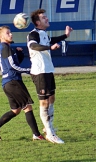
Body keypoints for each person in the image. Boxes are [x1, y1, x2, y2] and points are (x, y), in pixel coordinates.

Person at [0, 25, 44, 141]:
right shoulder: (5, 48)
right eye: (8, 33)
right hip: (13, 81)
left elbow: (14, 62)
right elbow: (13, 67)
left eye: (10, 32)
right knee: (27, 107)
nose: (11, 34)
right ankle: (37, 135)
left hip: (7, 83)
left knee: (16, 110)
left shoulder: (7, 48)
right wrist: (29, 71)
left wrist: (19, 54)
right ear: (1, 37)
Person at [27, 9, 73, 144]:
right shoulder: (33, 34)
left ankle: (49, 128)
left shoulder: (43, 34)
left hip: (47, 70)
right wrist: (49, 48)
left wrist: (65, 35)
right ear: (37, 22)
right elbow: (33, 46)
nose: (47, 19)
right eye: (43, 18)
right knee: (44, 102)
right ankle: (50, 132)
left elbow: (51, 40)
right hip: (39, 72)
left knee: (51, 98)